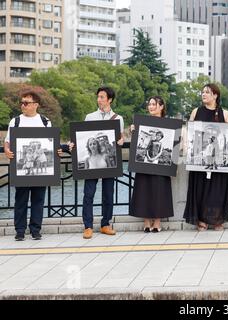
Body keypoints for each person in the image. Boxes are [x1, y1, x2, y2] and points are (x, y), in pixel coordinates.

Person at [3, 89, 63, 241]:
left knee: (38, 199)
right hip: (21, 168)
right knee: (20, 199)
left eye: (26, 103)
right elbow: (8, 141)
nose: (22, 105)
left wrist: (57, 150)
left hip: (41, 170)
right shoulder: (15, 121)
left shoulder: (45, 121)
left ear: (35, 104)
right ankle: (20, 231)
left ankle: (36, 230)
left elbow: (51, 142)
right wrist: (7, 150)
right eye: (21, 102)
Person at [70, 87, 124, 239]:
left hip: (108, 161)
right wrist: (74, 144)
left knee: (108, 194)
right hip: (92, 162)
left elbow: (118, 139)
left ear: (110, 99)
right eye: (98, 97)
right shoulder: (90, 116)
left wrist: (121, 140)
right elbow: (82, 137)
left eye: (102, 97)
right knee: (88, 194)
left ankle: (105, 224)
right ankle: (87, 226)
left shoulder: (117, 118)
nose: (98, 99)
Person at [184, 83, 228, 231]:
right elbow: (189, 131)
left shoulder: (224, 113)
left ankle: (217, 220)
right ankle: (201, 220)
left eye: (207, 92)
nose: (203, 95)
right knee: (200, 189)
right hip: (199, 158)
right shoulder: (196, 111)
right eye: (203, 92)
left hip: (219, 159)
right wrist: (187, 146)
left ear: (215, 95)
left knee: (217, 190)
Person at [129, 96, 174, 233]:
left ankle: (158, 222)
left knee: (160, 190)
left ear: (161, 107)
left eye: (154, 104)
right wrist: (134, 132)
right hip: (145, 164)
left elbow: (173, 145)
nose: (151, 107)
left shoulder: (169, 124)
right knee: (144, 189)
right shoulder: (142, 123)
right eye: (149, 104)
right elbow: (139, 145)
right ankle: (147, 221)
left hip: (160, 165)